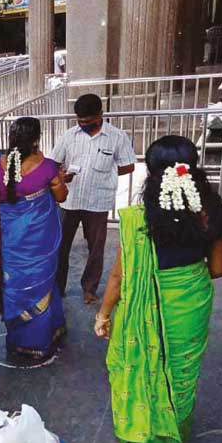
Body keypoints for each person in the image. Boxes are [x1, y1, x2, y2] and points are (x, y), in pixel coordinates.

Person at [94, 136, 222, 443]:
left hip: (144, 308)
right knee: (180, 378)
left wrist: (103, 314)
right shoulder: (208, 214)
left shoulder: (139, 220)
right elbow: (218, 269)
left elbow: (118, 279)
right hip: (190, 305)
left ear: (153, 177)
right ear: (193, 171)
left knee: (139, 368)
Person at [0, 117, 69, 361]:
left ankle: (18, 340)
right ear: (36, 138)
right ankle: (42, 338)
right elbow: (61, 198)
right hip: (39, 240)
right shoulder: (47, 167)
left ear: (12, 138)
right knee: (43, 284)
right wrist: (60, 179)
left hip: (8, 238)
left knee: (14, 283)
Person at [53, 93, 136, 304]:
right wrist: (62, 175)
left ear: (100, 115)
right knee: (60, 246)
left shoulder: (117, 137)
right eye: (80, 121)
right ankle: (57, 288)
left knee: (96, 249)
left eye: (88, 121)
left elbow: (129, 165)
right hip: (69, 201)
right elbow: (54, 162)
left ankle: (89, 288)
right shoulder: (69, 136)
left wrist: (107, 170)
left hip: (98, 201)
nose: (83, 125)